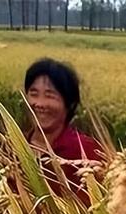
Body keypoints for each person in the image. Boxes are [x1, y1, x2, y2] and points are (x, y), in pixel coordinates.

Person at [23, 58, 101, 198]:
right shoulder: (15, 145)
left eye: (50, 96)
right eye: (34, 94)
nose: (40, 104)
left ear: (70, 103)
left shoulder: (85, 151)